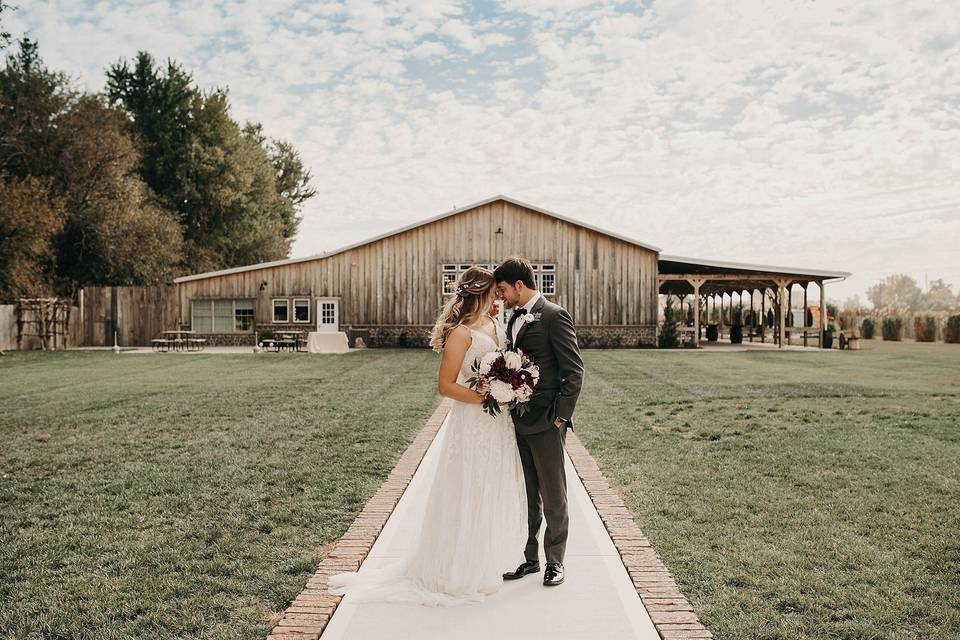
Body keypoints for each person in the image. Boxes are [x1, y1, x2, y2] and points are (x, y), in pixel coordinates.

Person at [326, 266, 527, 606]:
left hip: (497, 424)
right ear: (481, 293)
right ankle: (454, 570)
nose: (497, 297)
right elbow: (446, 385)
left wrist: (507, 386)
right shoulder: (461, 334)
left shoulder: (493, 324)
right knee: (465, 488)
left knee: (489, 488)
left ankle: (482, 565)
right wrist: (487, 395)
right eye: (493, 291)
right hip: (472, 422)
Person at [495, 256, 584, 587]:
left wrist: (560, 417)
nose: (500, 297)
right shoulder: (513, 319)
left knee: (552, 492)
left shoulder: (554, 316)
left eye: (503, 289)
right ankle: (530, 558)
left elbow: (574, 371)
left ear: (519, 284)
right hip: (518, 420)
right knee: (527, 491)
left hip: (547, 422)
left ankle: (555, 561)